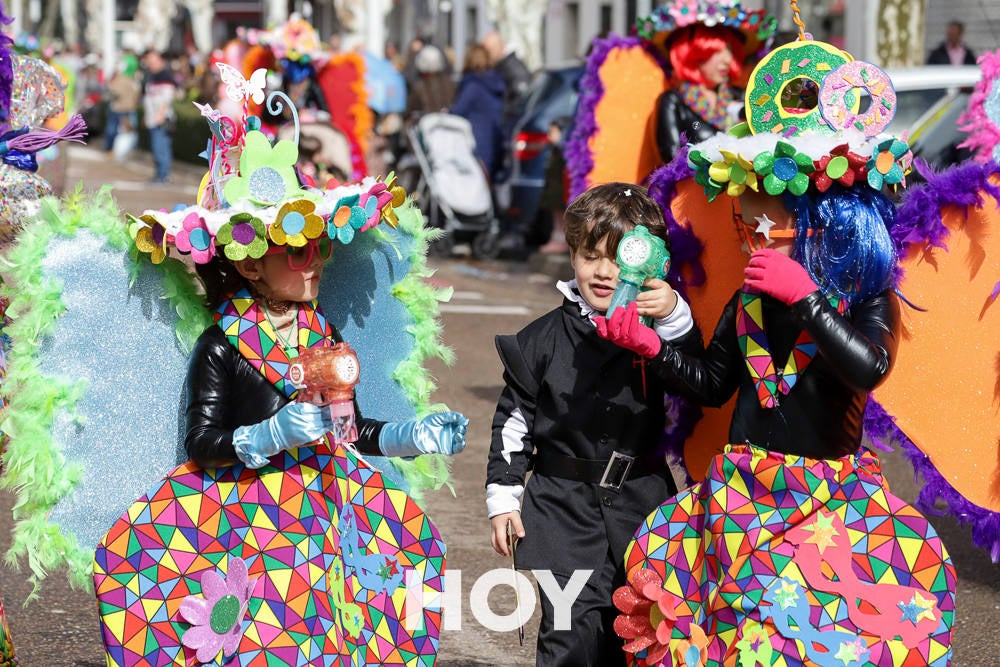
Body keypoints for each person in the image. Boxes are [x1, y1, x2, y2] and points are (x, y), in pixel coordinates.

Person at [601, 39, 955, 666]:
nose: (752, 234)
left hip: (824, 500)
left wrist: (810, 300)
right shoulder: (749, 301)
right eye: (745, 223)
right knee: (738, 631)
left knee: (812, 638)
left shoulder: (866, 298)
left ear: (824, 221)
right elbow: (713, 384)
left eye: (766, 223)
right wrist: (653, 346)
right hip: (742, 494)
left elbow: (868, 368)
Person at [487, 182, 686, 666]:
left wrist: (675, 316)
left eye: (619, 258)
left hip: (643, 504)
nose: (603, 271)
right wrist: (503, 499)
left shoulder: (659, 330)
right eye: (590, 254)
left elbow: (698, 382)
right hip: (561, 509)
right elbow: (513, 422)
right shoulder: (540, 340)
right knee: (570, 636)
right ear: (572, 252)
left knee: (638, 633)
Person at [655, 24, 745, 164]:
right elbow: (672, 159)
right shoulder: (674, 101)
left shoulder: (741, 96)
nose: (727, 59)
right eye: (717, 52)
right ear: (694, 55)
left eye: (728, 50)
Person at [450, 43, 505, 180]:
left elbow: (458, 112)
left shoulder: (473, 85)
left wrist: (447, 113)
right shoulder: (496, 83)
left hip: (475, 145)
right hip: (494, 142)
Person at [141, 48, 177, 183]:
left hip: (161, 120)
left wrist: (161, 114)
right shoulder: (151, 77)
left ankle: (163, 175)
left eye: (153, 61)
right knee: (156, 148)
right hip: (152, 119)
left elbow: (167, 98)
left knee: (161, 147)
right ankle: (158, 174)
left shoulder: (165, 76)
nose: (151, 64)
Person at [103, 52, 141, 159]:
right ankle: (122, 152)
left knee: (113, 131)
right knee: (127, 132)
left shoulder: (121, 79)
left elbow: (114, 92)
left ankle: (110, 150)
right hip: (129, 109)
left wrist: (110, 84)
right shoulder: (135, 79)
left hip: (118, 109)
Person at [404, 44, 455, 117]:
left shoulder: (419, 86)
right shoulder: (449, 83)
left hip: (427, 123)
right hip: (448, 121)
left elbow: (409, 109)